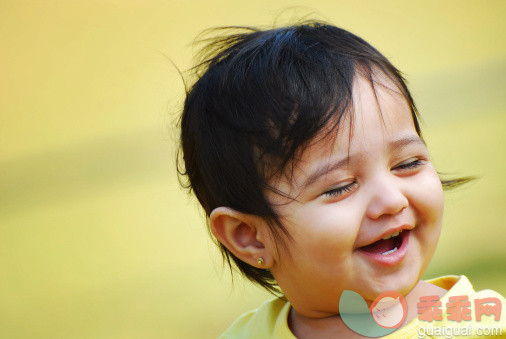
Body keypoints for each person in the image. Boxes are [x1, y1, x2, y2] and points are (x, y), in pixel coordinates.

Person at [177, 21, 505, 338]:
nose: (392, 200)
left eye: (407, 163)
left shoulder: (484, 326)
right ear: (250, 236)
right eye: (340, 187)